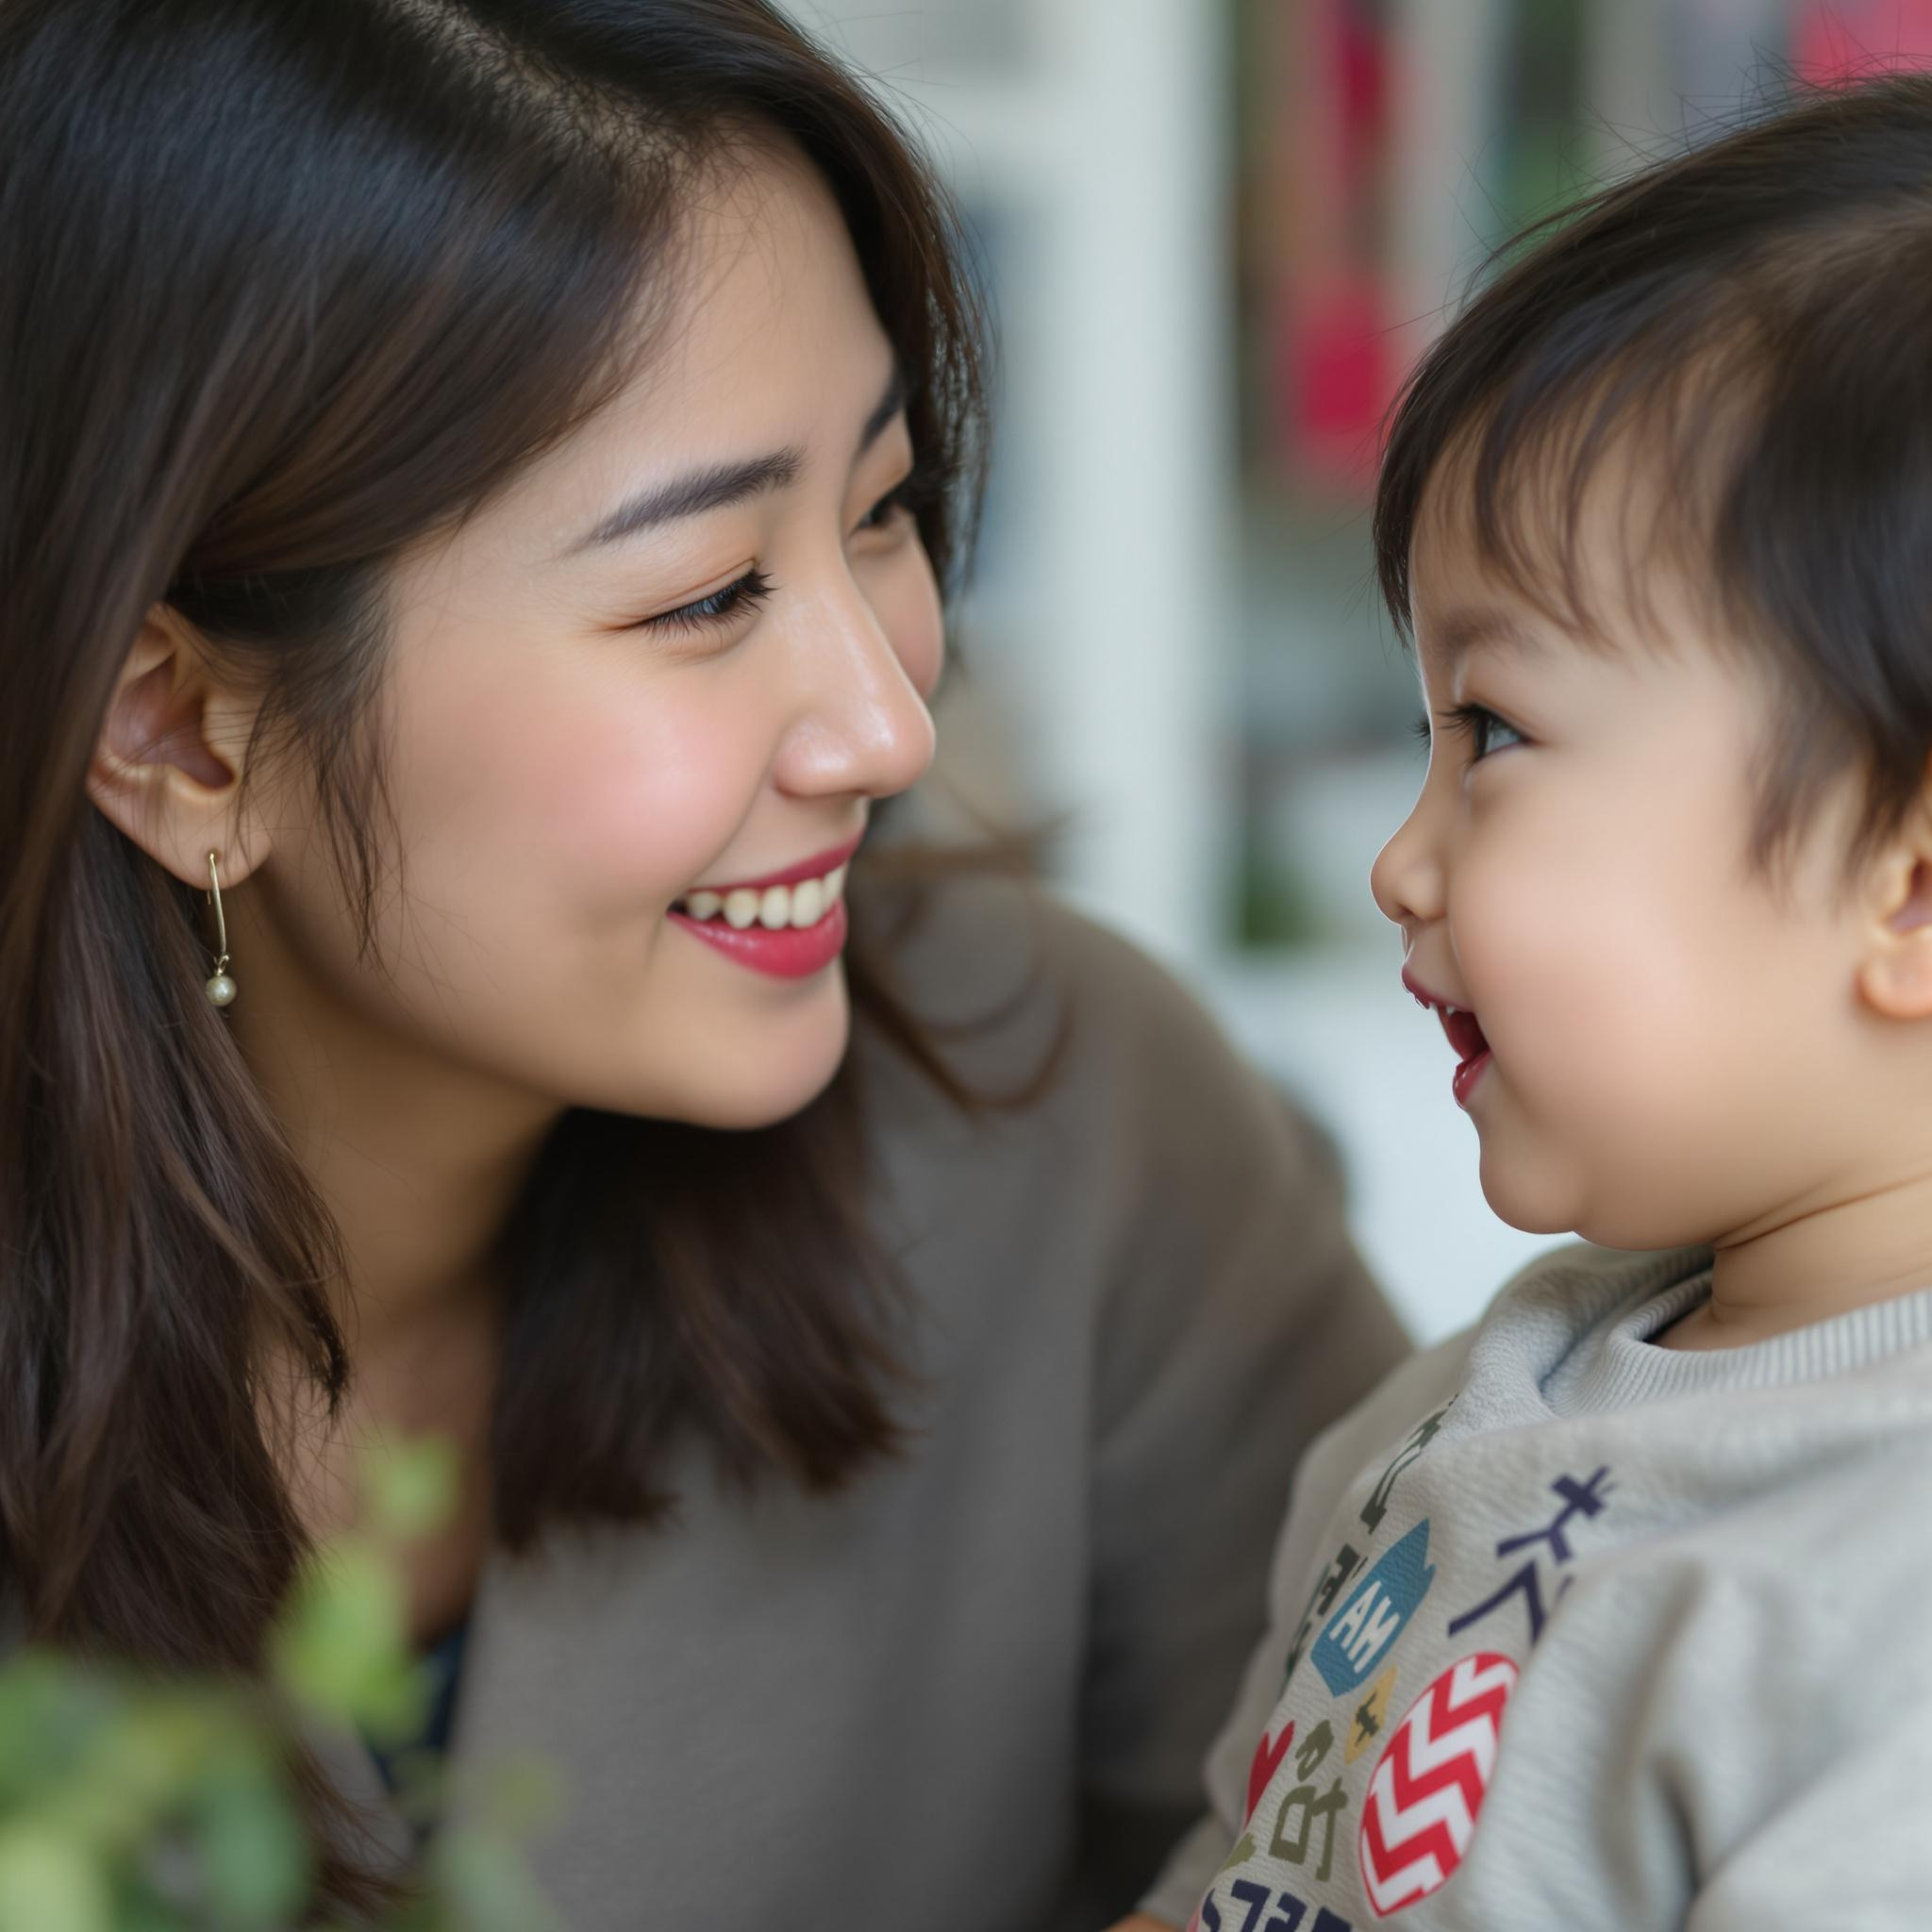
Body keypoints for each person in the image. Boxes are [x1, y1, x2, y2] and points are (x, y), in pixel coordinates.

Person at [0, 2, 1409, 1926]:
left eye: (885, 511)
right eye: (705, 595)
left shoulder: (1058, 1109)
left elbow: (1462, 1822)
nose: (886, 724)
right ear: (179, 734)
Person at [1122, 72, 1932, 1932]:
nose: (1400, 863)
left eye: (1493, 731)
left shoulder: (1874, 1579)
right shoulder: (1476, 1395)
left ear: (1905, 884)